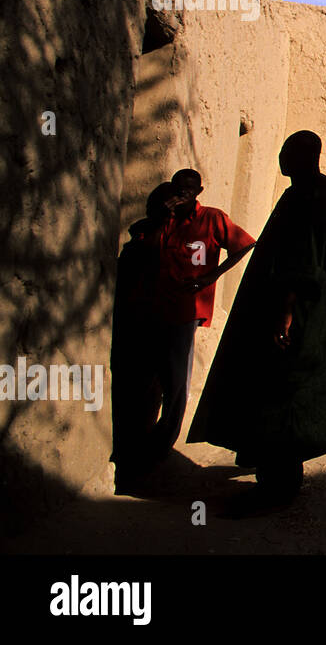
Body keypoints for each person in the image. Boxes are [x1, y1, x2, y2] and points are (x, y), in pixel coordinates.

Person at [187, 131, 326, 509]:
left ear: (306, 156)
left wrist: (287, 311)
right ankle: (275, 472)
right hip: (292, 312)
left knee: (283, 391)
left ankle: (277, 483)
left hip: (296, 317)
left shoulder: (312, 194)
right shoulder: (309, 191)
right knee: (273, 387)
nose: (281, 158)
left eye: (288, 152)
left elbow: (304, 261)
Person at [152, 168, 256, 459]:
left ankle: (166, 436)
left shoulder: (212, 218)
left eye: (189, 187)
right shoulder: (167, 220)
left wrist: (212, 276)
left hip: (187, 308)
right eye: (178, 187)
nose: (183, 192)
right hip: (159, 303)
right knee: (157, 369)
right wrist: (163, 218)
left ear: (199, 190)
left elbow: (244, 244)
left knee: (176, 375)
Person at [110, 181, 175, 488]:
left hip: (152, 328)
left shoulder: (162, 238)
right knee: (135, 399)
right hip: (137, 329)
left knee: (146, 397)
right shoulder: (143, 238)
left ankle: (135, 464)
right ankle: (130, 467)